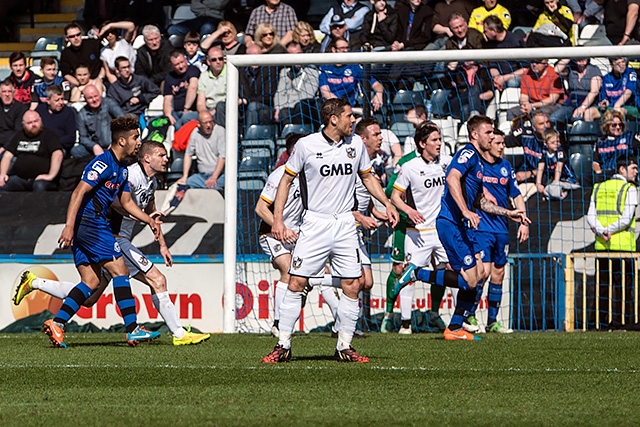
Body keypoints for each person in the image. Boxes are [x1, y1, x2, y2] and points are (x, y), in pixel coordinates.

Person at [14, 141, 211, 346]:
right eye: (161, 155)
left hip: (110, 238)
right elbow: (116, 203)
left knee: (89, 296)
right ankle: (177, 333)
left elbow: (151, 214)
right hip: (113, 237)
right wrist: (136, 216)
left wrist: (162, 245)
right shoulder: (130, 174)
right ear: (147, 158)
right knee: (157, 279)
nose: (166, 159)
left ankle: (35, 284)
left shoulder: (151, 182)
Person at [261, 98, 399, 363]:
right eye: (348, 116)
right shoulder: (306, 145)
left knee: (352, 283)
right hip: (314, 223)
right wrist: (277, 219)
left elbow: (368, 177)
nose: (352, 121)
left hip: (346, 224)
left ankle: (344, 346)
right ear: (333, 119)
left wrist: (387, 202)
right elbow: (287, 180)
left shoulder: (355, 144)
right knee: (296, 281)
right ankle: (283, 345)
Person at [393, 115, 529, 340]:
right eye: (488, 132)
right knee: (470, 280)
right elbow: (452, 178)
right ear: (474, 134)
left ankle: (455, 327)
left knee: (480, 274)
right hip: (452, 224)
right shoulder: (467, 153)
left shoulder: (478, 162)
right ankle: (417, 273)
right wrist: (465, 211)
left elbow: (480, 202)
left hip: (464, 226)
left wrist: (509, 212)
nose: (492, 136)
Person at [42, 116, 162, 348]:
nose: (139, 142)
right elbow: (78, 193)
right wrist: (68, 225)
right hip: (90, 224)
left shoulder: (123, 169)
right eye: (135, 138)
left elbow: (126, 203)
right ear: (121, 141)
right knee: (121, 270)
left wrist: (149, 219)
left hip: (90, 226)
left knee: (91, 281)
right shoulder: (103, 163)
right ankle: (132, 328)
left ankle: (58, 323)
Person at [388, 121, 451, 334]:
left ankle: (450, 316)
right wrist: (409, 210)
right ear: (422, 144)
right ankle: (405, 324)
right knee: (408, 275)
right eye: (434, 140)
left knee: (448, 272)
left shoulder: (446, 162)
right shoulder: (409, 167)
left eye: (440, 139)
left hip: (442, 230)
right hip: (418, 232)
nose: (439, 143)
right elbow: (395, 196)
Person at [465, 129, 527, 333]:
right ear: (488, 143)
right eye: (498, 143)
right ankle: (470, 316)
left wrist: (523, 221)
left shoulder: (506, 166)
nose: (501, 147)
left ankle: (492, 321)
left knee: (498, 274)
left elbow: (516, 194)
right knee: (483, 272)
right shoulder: (477, 165)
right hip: (482, 227)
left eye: (503, 143)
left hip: (501, 228)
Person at [587, 155, 639, 327]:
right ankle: (624, 321)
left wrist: (602, 231)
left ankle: (600, 323)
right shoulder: (629, 189)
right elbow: (626, 218)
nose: (636, 172)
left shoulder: (598, 187)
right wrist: (610, 230)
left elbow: (590, 216)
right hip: (624, 247)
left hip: (602, 246)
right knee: (624, 288)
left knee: (602, 286)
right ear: (622, 169)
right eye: (634, 168)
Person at [0, 110, 63, 192]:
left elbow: (58, 154)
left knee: (40, 186)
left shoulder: (49, 135)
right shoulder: (19, 135)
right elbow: (7, 155)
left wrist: (50, 175)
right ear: (23, 124)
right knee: (3, 185)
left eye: (36, 121)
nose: (33, 125)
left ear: (41, 120)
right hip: (20, 178)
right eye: (29, 123)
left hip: (41, 179)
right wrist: (2, 174)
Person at [319, 37, 384, 114]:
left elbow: (376, 84)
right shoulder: (325, 68)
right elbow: (325, 93)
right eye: (342, 48)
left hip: (351, 109)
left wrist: (379, 93)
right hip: (331, 110)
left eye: (347, 48)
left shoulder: (354, 67)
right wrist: (344, 108)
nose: (345, 50)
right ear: (333, 49)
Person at [273, 42, 320, 127]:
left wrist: (287, 104)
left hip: (303, 108)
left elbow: (308, 95)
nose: (296, 58)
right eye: (292, 55)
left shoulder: (312, 71)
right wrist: (278, 108)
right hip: (287, 107)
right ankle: (288, 136)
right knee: (282, 112)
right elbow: (280, 92)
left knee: (299, 106)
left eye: (298, 54)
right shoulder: (284, 72)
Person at [74, 85, 125, 158]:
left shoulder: (109, 103)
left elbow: (123, 121)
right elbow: (83, 137)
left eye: (96, 96)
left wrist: (115, 141)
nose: (94, 99)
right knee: (76, 151)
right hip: (96, 146)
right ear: (85, 99)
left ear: (100, 94)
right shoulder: (82, 114)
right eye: (90, 98)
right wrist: (94, 146)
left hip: (114, 143)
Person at [178, 111, 225, 189]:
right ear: (199, 124)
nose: (208, 125)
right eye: (205, 123)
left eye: (210, 122)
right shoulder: (195, 133)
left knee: (215, 188)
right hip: (201, 177)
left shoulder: (220, 131)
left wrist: (214, 177)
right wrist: (184, 176)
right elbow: (188, 155)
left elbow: (222, 157)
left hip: (219, 175)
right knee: (185, 185)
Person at [550, 58, 602, 125]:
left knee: (577, 120)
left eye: (584, 56)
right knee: (554, 118)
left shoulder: (594, 69)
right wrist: (570, 56)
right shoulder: (571, 69)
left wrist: (583, 107)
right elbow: (557, 69)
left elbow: (594, 92)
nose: (581, 59)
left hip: (589, 102)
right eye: (578, 57)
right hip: (572, 102)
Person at [585, 57, 638, 122]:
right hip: (611, 107)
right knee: (589, 112)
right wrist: (604, 103)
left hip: (627, 107)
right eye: (618, 63)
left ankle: (619, 131)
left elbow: (628, 92)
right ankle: (591, 131)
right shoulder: (606, 78)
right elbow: (605, 97)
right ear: (611, 64)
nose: (622, 65)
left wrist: (617, 105)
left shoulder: (630, 73)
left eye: (623, 62)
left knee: (618, 111)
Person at [482, 15, 527, 91]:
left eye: (485, 31)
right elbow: (493, 65)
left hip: (515, 77)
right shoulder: (490, 44)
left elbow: (525, 68)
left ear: (494, 31)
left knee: (512, 82)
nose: (484, 33)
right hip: (500, 78)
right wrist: (497, 78)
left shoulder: (515, 41)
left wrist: (505, 78)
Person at [238, 45, 280, 126]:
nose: (255, 59)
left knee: (252, 107)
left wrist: (247, 100)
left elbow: (268, 97)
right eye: (252, 56)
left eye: (257, 56)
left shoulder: (269, 70)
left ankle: (249, 137)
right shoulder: (241, 71)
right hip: (243, 106)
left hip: (265, 106)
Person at [507, 110, 551, 184]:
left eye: (547, 122)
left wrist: (530, 173)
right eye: (541, 124)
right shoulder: (525, 134)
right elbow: (506, 141)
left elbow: (554, 167)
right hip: (527, 170)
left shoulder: (554, 139)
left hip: (546, 175)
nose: (546, 126)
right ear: (533, 127)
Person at [593, 109, 640, 177]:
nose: (618, 127)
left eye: (620, 124)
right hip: (606, 176)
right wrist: (599, 174)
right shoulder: (600, 142)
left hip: (625, 175)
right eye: (614, 125)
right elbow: (595, 163)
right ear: (607, 126)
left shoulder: (629, 137)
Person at [35, 85, 77, 156]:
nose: (61, 102)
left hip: (59, 147)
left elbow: (71, 137)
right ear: (48, 101)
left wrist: (52, 142)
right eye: (57, 100)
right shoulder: (40, 110)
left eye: (62, 99)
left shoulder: (68, 113)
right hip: (40, 145)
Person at [535, 130, 579, 198]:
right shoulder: (544, 152)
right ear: (545, 143)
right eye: (553, 142)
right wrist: (538, 183)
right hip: (553, 179)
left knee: (555, 191)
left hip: (567, 178)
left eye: (558, 141)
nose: (556, 144)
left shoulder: (560, 152)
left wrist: (555, 183)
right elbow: (540, 168)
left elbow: (558, 168)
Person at [163, 50, 200, 130]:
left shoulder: (193, 70)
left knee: (180, 124)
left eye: (182, 62)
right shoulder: (169, 77)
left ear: (186, 60)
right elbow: (167, 99)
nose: (181, 66)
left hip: (191, 111)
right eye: (177, 64)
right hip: (175, 112)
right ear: (171, 66)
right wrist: (168, 114)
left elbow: (193, 87)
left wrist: (186, 108)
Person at [167, 0, 231, 37]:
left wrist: (202, 1)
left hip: (217, 19)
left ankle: (201, 51)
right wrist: (211, 10)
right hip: (200, 18)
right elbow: (194, 6)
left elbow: (219, 4)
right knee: (172, 29)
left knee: (207, 27)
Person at [0, 79, 29, 158]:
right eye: (4, 92)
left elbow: (17, 133)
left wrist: (3, 148)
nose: (7, 94)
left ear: (14, 93)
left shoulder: (21, 108)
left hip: (13, 146)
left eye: (9, 91)